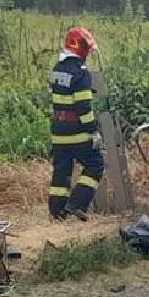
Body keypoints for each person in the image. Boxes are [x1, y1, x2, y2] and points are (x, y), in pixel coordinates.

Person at [49, 26, 104, 221]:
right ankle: (76, 205)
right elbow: (83, 108)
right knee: (95, 165)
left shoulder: (57, 69)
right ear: (81, 48)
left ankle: (56, 212)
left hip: (58, 132)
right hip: (77, 133)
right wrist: (94, 131)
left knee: (61, 171)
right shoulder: (81, 72)